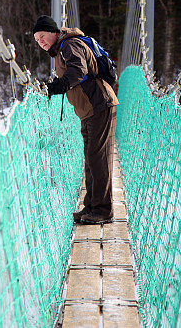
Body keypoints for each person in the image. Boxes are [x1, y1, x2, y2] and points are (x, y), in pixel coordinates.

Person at [32, 15, 119, 224]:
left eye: (43, 36)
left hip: (99, 105)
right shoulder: (61, 49)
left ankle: (103, 210)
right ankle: (91, 206)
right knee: (91, 159)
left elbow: (78, 71)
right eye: (37, 40)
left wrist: (57, 86)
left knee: (98, 160)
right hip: (89, 110)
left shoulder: (69, 44)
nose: (41, 42)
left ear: (54, 32)